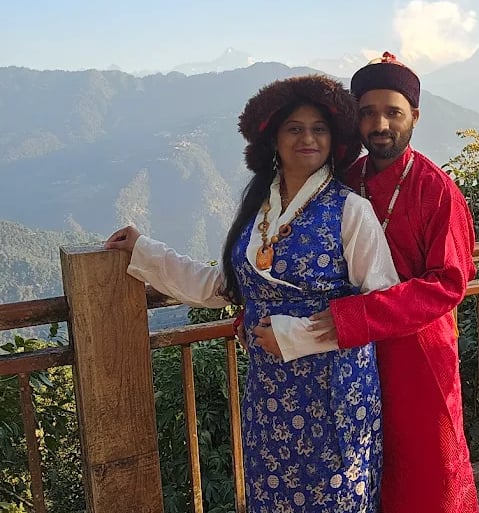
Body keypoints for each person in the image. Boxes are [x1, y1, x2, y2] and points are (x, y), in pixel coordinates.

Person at [105, 74, 399, 513]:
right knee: (272, 492)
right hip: (270, 392)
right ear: (274, 139)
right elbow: (223, 286)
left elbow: (382, 302)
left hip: (335, 389)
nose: (307, 138)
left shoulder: (351, 210)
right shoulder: (257, 210)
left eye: (318, 128)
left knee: (335, 495)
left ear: (334, 139)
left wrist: (296, 335)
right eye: (294, 128)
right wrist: (144, 250)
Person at [256, 53, 479, 512]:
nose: (380, 125)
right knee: (361, 469)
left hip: (416, 354)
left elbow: (449, 283)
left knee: (426, 472)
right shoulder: (345, 180)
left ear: (414, 116)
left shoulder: (436, 190)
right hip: (348, 357)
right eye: (368, 113)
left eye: (393, 113)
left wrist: (356, 317)